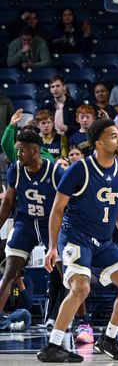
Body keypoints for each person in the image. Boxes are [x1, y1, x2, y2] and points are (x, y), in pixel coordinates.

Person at [38, 119, 118, 362]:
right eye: (113, 136)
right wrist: (52, 247)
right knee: (81, 287)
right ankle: (53, 345)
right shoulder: (80, 169)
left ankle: (109, 339)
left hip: (104, 241)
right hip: (75, 236)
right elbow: (56, 210)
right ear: (99, 143)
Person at [0, 131, 64, 324]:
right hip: (25, 222)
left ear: (34, 151)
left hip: (49, 223)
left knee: (67, 272)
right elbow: (9, 201)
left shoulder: (55, 172)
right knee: (10, 270)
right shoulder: (16, 170)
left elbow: (65, 204)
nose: (17, 153)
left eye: (21, 150)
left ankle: (80, 319)